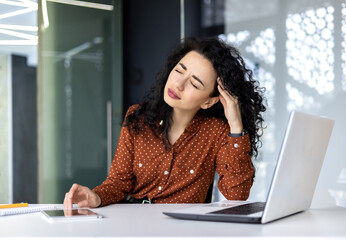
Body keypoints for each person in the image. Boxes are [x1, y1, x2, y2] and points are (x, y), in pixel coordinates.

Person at [63, 37, 266, 209]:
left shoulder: (217, 132)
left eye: (194, 83)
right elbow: (119, 183)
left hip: (182, 232)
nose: (178, 84)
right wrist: (96, 197)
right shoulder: (138, 117)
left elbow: (236, 194)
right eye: (179, 71)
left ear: (209, 101)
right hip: (133, 225)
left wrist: (236, 126)